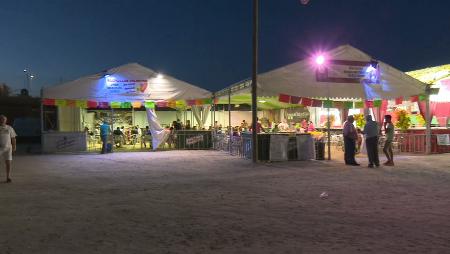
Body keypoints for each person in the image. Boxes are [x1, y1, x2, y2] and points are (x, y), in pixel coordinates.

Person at [0, 115, 17, 183]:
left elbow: (13, 138)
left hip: (8, 148)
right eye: (1, 119)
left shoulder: (9, 128)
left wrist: (14, 147)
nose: (2, 120)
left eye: (4, 119)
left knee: (8, 163)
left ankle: (8, 177)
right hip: (0, 148)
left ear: (6, 120)